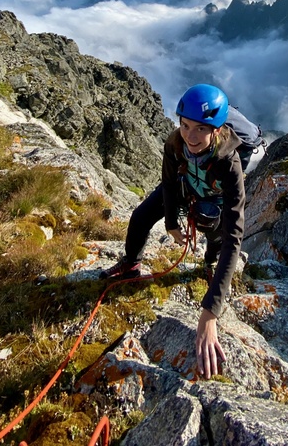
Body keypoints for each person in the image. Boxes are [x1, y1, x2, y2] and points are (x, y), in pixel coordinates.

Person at [102, 83, 245, 379]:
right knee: (140, 217)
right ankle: (131, 265)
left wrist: (210, 312)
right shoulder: (175, 143)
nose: (190, 136)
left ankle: (209, 264)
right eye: (185, 125)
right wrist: (171, 223)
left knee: (217, 238)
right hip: (183, 188)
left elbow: (234, 236)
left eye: (200, 129)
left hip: (214, 202)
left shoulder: (230, 165)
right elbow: (167, 184)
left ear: (217, 130)